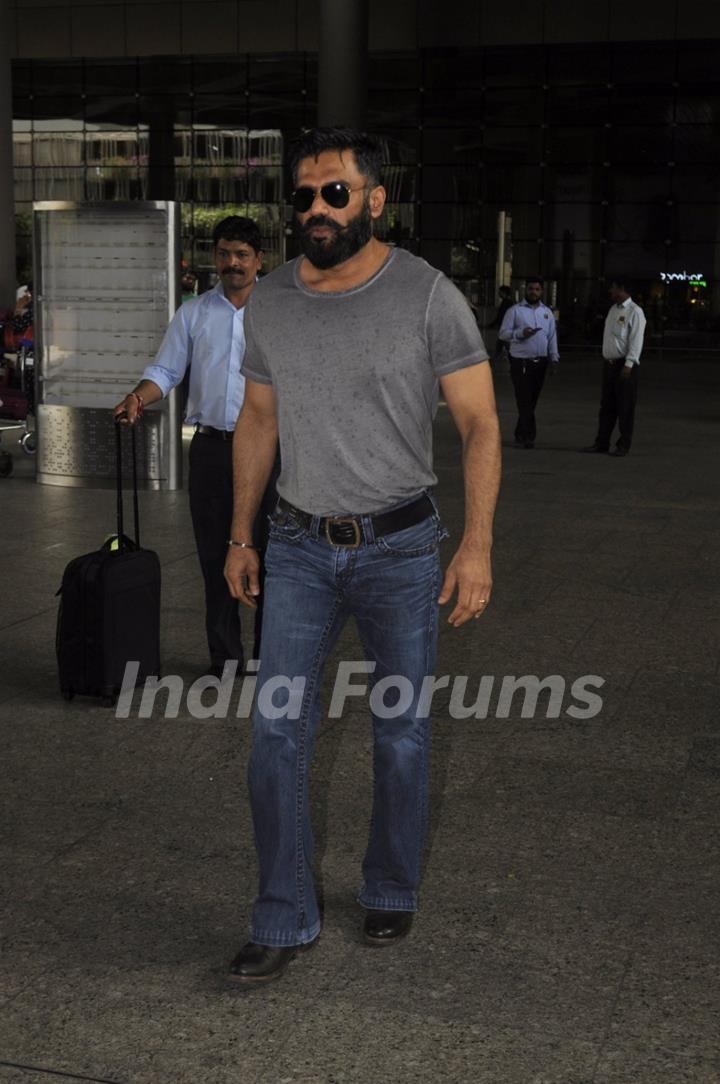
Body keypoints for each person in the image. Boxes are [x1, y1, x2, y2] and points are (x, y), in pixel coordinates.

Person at [223, 127, 501, 985]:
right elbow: (260, 421)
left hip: (402, 548)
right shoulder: (269, 300)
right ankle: (283, 913)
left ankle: (390, 883)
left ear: (376, 200)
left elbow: (480, 424)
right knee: (275, 734)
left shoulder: (426, 296)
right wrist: (241, 533)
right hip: (300, 544)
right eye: (302, 196)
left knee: (402, 736)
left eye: (334, 193)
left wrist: (477, 546)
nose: (315, 209)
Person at [114, 216, 275, 677]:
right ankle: (225, 659)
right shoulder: (194, 313)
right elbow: (166, 371)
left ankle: (270, 660)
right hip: (210, 451)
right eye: (224, 253)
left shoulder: (278, 313)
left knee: (275, 557)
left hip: (269, 451)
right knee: (213, 555)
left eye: (242, 254)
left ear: (259, 259)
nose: (232, 263)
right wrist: (137, 397)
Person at [583, 277, 646, 457]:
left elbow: (636, 340)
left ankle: (623, 444)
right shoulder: (613, 310)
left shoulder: (635, 312)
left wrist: (629, 364)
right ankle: (601, 442)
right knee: (607, 406)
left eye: (613, 288)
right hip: (609, 365)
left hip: (624, 365)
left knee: (625, 407)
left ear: (622, 288)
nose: (610, 291)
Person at [498, 277, 559, 449]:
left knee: (531, 401)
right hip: (520, 362)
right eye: (531, 289)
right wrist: (519, 333)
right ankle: (528, 436)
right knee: (524, 400)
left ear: (542, 291)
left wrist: (554, 358)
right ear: (526, 290)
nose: (534, 292)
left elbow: (552, 337)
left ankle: (520, 434)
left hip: (540, 363)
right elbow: (502, 334)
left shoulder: (547, 312)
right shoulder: (515, 311)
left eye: (537, 289)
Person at [486, 284, 512, 365]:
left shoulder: (507, 303)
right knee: (500, 346)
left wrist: (493, 324)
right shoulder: (508, 302)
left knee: (504, 346)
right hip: (505, 329)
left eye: (500, 292)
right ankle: (493, 361)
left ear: (504, 292)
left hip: (505, 329)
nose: (499, 293)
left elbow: (501, 316)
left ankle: (514, 362)